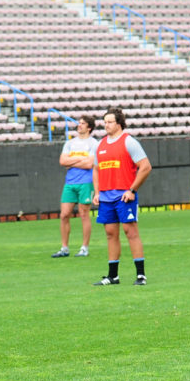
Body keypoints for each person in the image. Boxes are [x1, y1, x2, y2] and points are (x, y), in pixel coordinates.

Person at [91, 108, 152, 286]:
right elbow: (96, 169)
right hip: (106, 198)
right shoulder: (100, 144)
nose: (106, 125)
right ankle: (113, 276)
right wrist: (97, 192)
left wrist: (131, 190)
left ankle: (141, 275)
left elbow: (146, 166)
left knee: (130, 232)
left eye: (109, 122)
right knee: (110, 234)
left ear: (119, 123)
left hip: (124, 196)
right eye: (105, 122)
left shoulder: (129, 142)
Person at [52, 115, 97, 259]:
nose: (79, 125)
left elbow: (89, 164)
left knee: (84, 214)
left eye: (83, 123)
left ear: (89, 127)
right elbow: (62, 161)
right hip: (70, 182)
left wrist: (71, 161)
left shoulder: (94, 143)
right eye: (79, 123)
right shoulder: (70, 143)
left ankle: (84, 247)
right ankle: (64, 248)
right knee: (64, 215)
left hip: (86, 182)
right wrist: (80, 159)